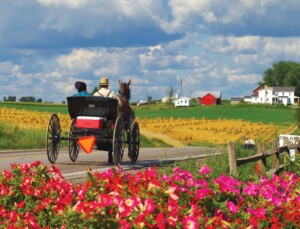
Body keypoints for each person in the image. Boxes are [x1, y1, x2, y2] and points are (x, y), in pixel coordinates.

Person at [93, 77, 120, 164]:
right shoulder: (112, 93)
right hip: (109, 119)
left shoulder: (96, 94)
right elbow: (118, 104)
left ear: (100, 85)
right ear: (107, 85)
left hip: (98, 118)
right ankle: (110, 154)